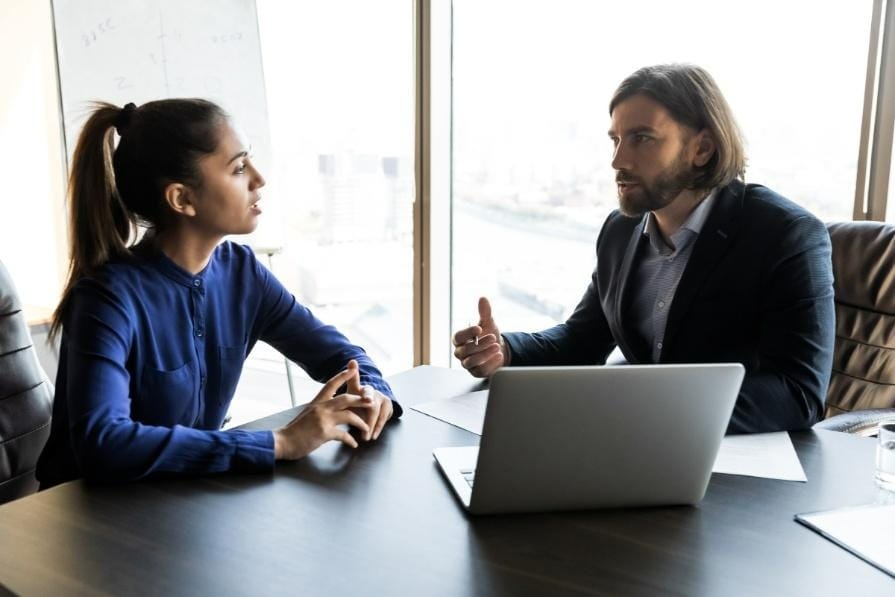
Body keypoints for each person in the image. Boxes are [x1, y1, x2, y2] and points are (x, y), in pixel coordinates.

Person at [36, 99, 400, 489]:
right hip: (86, 521)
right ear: (182, 199)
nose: (259, 179)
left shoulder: (243, 273)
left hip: (182, 504)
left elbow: (344, 357)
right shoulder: (106, 300)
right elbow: (105, 443)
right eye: (239, 168)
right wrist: (280, 442)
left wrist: (374, 395)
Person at [452, 64, 835, 434]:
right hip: (637, 447)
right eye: (615, 140)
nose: (618, 160)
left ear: (701, 148)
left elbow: (798, 393)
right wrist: (504, 351)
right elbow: (583, 339)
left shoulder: (787, 235)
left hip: (739, 466)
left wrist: (650, 410)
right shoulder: (621, 231)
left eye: (642, 139)